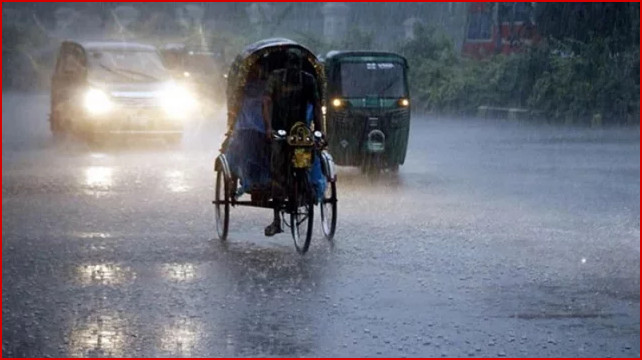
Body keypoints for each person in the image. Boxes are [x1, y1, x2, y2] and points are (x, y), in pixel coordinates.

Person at [262, 48, 322, 236]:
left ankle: (306, 186)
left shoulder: (308, 80)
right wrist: (269, 127)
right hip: (280, 129)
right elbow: (266, 101)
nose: (294, 70)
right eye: (291, 65)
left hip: (300, 130)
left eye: (297, 66)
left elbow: (317, 107)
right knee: (278, 169)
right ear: (286, 66)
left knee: (308, 157)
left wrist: (321, 131)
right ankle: (277, 220)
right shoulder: (275, 78)